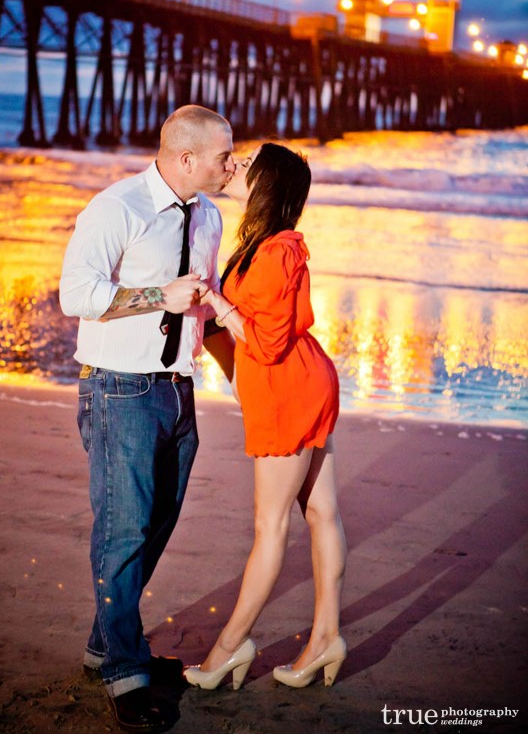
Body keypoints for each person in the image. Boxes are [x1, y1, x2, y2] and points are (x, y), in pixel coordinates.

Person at [59, 105, 236, 733]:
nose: (231, 164)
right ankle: (125, 675)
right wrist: (159, 295)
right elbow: (75, 294)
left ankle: (107, 646)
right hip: (119, 390)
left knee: (156, 523)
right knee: (124, 529)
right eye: (223, 155)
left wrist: (247, 374)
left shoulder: (211, 215)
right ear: (188, 158)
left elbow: (205, 307)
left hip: (178, 390)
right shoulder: (118, 208)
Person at [184, 142, 347, 692]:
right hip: (301, 381)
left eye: (248, 165)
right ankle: (326, 636)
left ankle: (229, 648)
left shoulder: (277, 251)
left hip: (289, 390)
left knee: (269, 527)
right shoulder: (264, 244)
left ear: (266, 183)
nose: (237, 168)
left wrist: (219, 305)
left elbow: (269, 342)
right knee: (321, 513)